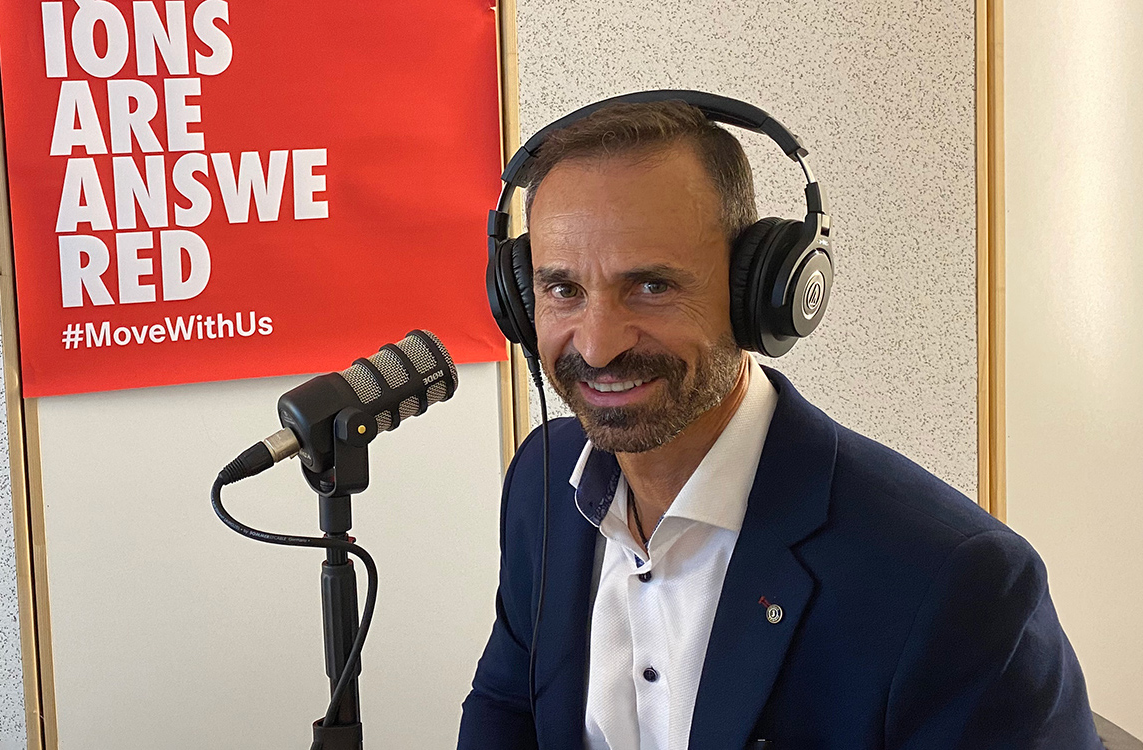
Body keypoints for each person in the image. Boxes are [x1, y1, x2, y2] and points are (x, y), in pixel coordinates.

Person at [457, 99, 1099, 749]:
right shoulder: (542, 481)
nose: (597, 346)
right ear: (518, 298)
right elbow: (507, 703)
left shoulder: (958, 582)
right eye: (563, 290)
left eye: (651, 287)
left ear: (760, 294)